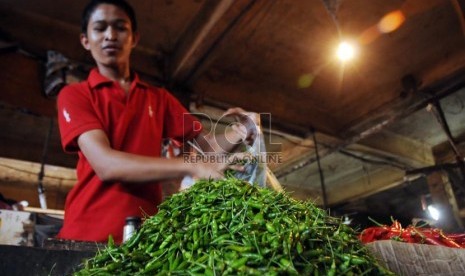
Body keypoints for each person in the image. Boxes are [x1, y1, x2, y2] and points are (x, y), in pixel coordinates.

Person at [56, 0, 256, 243]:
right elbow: (106, 164)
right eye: (100, 28)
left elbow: (208, 147)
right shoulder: (76, 94)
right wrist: (189, 166)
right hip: (88, 235)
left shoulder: (158, 99)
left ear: (134, 38)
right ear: (85, 40)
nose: (110, 35)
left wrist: (242, 129)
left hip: (146, 237)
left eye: (120, 27)